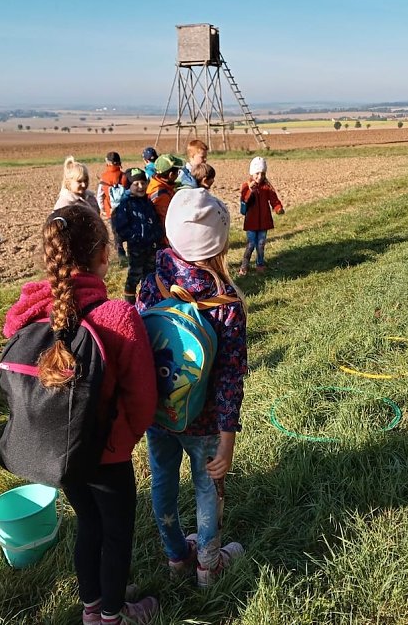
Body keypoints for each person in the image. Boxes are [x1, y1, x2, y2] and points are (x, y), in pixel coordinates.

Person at [3, 205, 159, 625]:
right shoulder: (117, 316)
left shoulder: (30, 310)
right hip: (107, 452)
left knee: (88, 523)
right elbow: (143, 401)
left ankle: (92, 605)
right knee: (116, 532)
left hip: (60, 452)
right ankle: (113, 614)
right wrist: (123, 438)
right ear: (104, 255)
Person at [136, 188, 247, 589]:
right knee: (206, 487)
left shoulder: (150, 285)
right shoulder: (225, 303)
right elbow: (230, 377)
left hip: (157, 413)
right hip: (202, 421)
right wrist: (227, 438)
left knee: (162, 480)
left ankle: (175, 556)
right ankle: (208, 566)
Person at [112, 168, 162, 305]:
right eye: (136, 184)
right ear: (129, 186)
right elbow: (121, 227)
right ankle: (130, 303)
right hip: (136, 247)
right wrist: (134, 236)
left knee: (150, 275)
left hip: (151, 246)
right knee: (134, 275)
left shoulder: (147, 201)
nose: (140, 187)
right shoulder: (126, 204)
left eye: (143, 183)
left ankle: (147, 302)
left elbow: (154, 220)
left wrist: (157, 234)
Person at [239, 157, 284, 276]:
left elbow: (274, 199)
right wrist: (250, 191)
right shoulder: (246, 186)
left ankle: (260, 264)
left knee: (260, 245)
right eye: (257, 173)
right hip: (251, 223)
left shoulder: (266, 187)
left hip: (264, 222)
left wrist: (278, 207)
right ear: (252, 173)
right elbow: (244, 200)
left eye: (262, 173)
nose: (260, 176)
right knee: (251, 244)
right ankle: (244, 265)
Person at [96, 152, 130, 261]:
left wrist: (102, 209)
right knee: (129, 230)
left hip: (111, 211)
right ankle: (131, 253)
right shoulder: (124, 176)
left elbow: (100, 196)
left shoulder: (104, 177)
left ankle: (121, 255)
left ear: (108, 162)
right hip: (125, 210)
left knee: (117, 234)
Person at [146, 154, 184, 244]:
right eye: (177, 172)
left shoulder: (155, 182)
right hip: (165, 241)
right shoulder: (162, 196)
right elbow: (166, 222)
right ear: (171, 175)